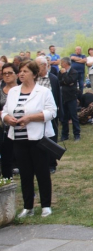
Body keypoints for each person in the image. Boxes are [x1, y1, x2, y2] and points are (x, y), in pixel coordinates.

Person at [2, 60, 57, 218]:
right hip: (18, 137)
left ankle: (45, 205)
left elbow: (52, 112)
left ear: (34, 74)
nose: (21, 74)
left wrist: (32, 117)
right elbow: (5, 111)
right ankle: (28, 206)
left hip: (37, 137)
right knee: (25, 173)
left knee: (42, 172)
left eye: (25, 71)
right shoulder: (13, 92)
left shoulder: (43, 91)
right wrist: (7, 118)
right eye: (20, 71)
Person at [35, 56, 61, 174]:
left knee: (51, 139)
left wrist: (60, 113)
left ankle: (52, 163)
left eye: (37, 65)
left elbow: (57, 96)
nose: (35, 68)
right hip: (36, 114)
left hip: (50, 113)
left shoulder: (53, 79)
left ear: (45, 66)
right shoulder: (34, 79)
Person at [0, 63, 19, 179]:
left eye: (10, 73)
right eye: (4, 73)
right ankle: (7, 182)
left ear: (16, 74)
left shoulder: (22, 90)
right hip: (4, 129)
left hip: (21, 128)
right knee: (6, 158)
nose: (7, 76)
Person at [59, 57, 81, 141]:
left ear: (65, 63)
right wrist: (66, 81)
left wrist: (65, 76)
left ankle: (77, 134)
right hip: (63, 97)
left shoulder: (74, 72)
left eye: (62, 63)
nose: (61, 64)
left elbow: (69, 81)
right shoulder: (60, 72)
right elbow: (60, 82)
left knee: (73, 116)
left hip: (71, 97)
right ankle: (65, 135)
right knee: (64, 117)